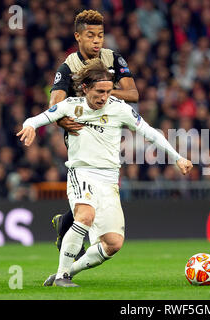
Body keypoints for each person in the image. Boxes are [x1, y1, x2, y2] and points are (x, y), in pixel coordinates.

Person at [17, 59, 193, 287]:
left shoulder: (119, 109)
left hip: (109, 179)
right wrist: (30, 125)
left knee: (113, 244)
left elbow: (150, 133)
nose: (104, 97)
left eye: (109, 91)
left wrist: (177, 157)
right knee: (85, 216)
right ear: (86, 88)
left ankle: (67, 272)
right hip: (81, 172)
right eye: (100, 91)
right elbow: (38, 118)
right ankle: (61, 277)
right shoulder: (71, 105)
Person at [50, 10, 139, 260]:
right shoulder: (69, 66)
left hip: (108, 131)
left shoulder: (113, 58)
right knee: (91, 184)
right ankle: (71, 235)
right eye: (91, 36)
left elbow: (133, 94)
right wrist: (61, 121)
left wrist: (104, 93)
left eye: (100, 35)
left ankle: (65, 222)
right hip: (82, 133)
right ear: (78, 36)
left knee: (97, 189)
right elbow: (54, 103)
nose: (97, 41)